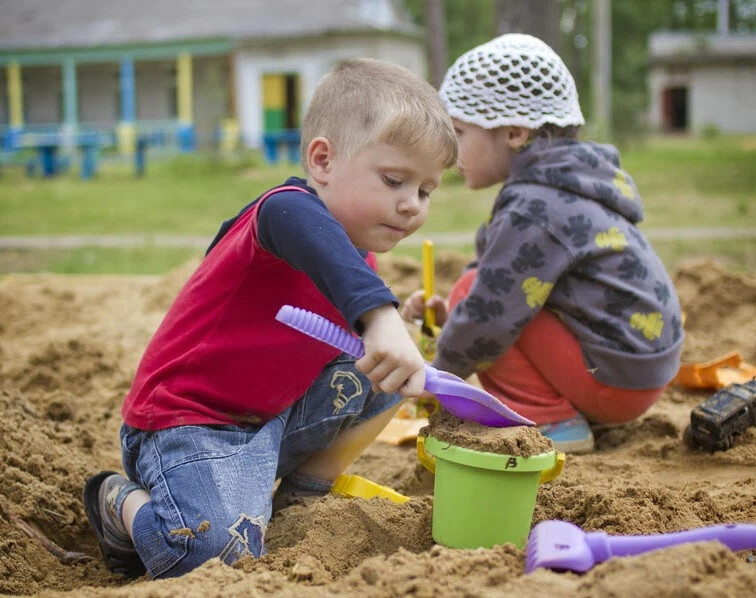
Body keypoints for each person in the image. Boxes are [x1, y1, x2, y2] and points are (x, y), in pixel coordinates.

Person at [82, 58, 457, 579]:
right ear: (322, 161)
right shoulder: (284, 211)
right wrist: (380, 315)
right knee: (208, 555)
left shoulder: (356, 256)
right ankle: (119, 502)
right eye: (394, 179)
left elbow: (347, 322)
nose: (412, 205)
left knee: (388, 375)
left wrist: (404, 322)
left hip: (270, 423)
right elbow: (305, 232)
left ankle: (305, 494)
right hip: (187, 424)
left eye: (425, 191)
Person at [402, 34, 683, 454]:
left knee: (480, 299)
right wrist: (453, 315)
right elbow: (497, 272)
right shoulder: (564, 182)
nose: (447, 150)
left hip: (615, 380)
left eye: (458, 132)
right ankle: (563, 405)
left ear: (514, 132)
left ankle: (553, 421)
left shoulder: (534, 206)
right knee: (477, 290)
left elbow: (488, 316)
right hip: (638, 369)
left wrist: (437, 376)